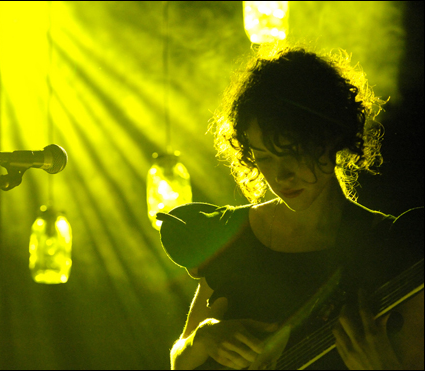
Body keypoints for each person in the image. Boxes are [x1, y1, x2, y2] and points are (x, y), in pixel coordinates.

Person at [157, 43, 424, 370]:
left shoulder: (392, 246)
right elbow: (178, 361)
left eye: (294, 151)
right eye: (265, 157)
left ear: (332, 134)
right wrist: (204, 336)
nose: (281, 175)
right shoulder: (232, 234)